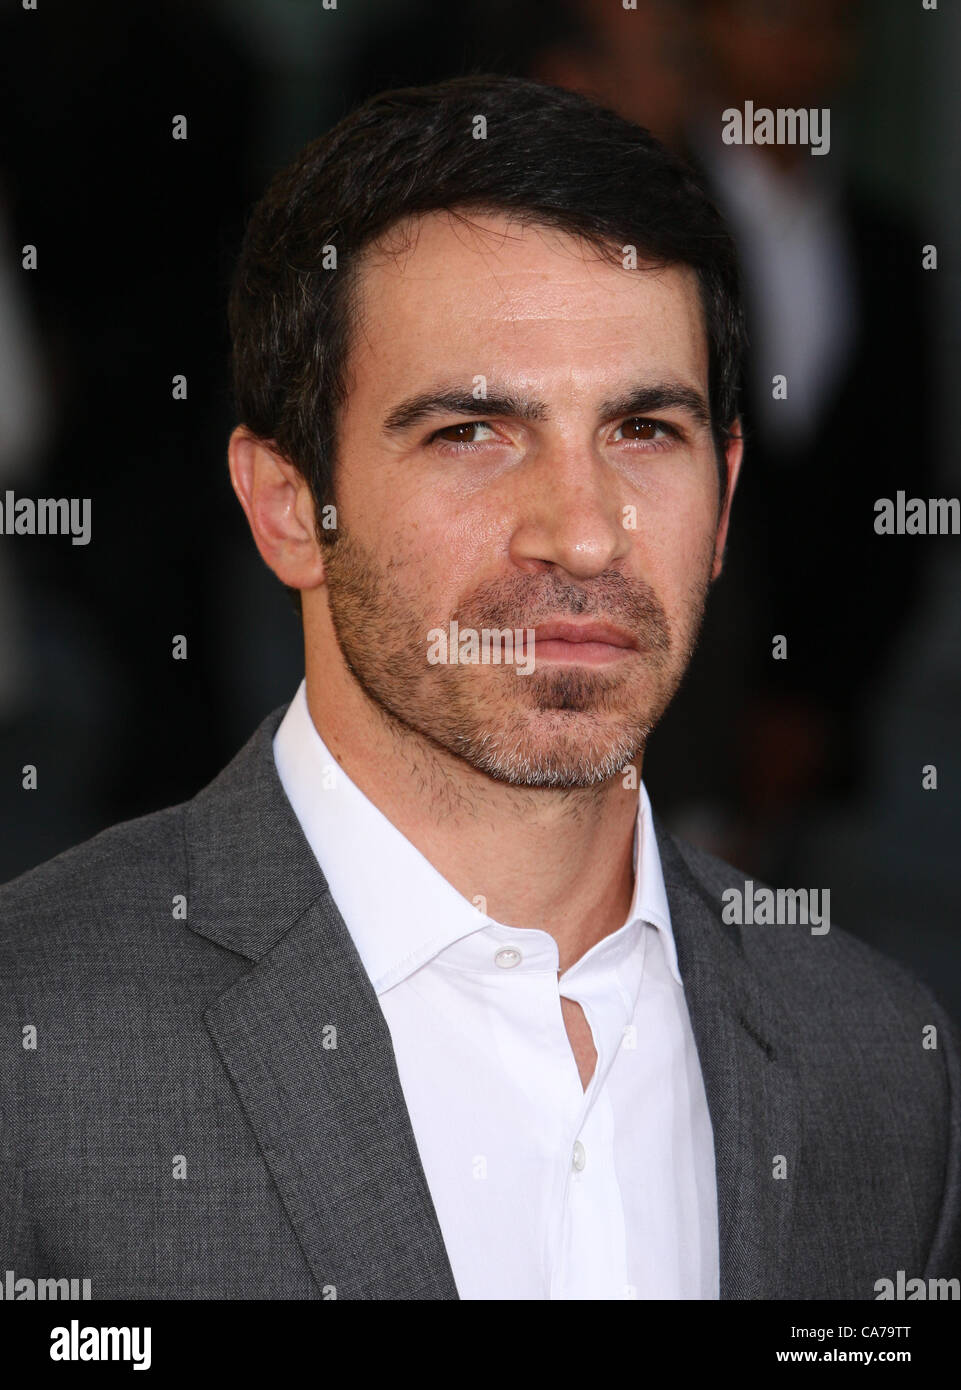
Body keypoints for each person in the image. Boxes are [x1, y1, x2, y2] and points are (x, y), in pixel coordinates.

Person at [1, 75, 957, 1301]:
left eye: (642, 431)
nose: (583, 534)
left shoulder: (884, 1071)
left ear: (723, 495)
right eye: (471, 432)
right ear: (288, 507)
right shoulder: (35, 1049)